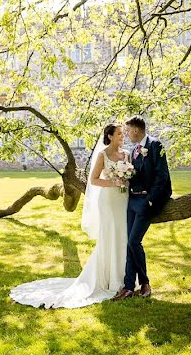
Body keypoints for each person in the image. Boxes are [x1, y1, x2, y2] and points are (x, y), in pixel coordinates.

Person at [9, 123, 130, 308]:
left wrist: (126, 178)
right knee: (110, 235)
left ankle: (125, 278)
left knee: (123, 236)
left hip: (123, 199)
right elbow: (94, 180)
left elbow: (130, 175)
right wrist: (113, 182)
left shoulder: (127, 154)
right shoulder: (102, 155)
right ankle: (109, 280)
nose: (123, 136)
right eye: (119, 133)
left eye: (123, 133)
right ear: (110, 136)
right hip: (108, 200)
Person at [111, 115, 172, 300]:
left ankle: (145, 283)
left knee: (133, 242)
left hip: (146, 202)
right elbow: (137, 176)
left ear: (136, 130)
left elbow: (162, 177)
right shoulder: (134, 150)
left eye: (128, 131)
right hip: (132, 201)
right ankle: (129, 287)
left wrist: (150, 200)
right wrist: (124, 175)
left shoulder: (155, 145)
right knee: (129, 244)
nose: (127, 134)